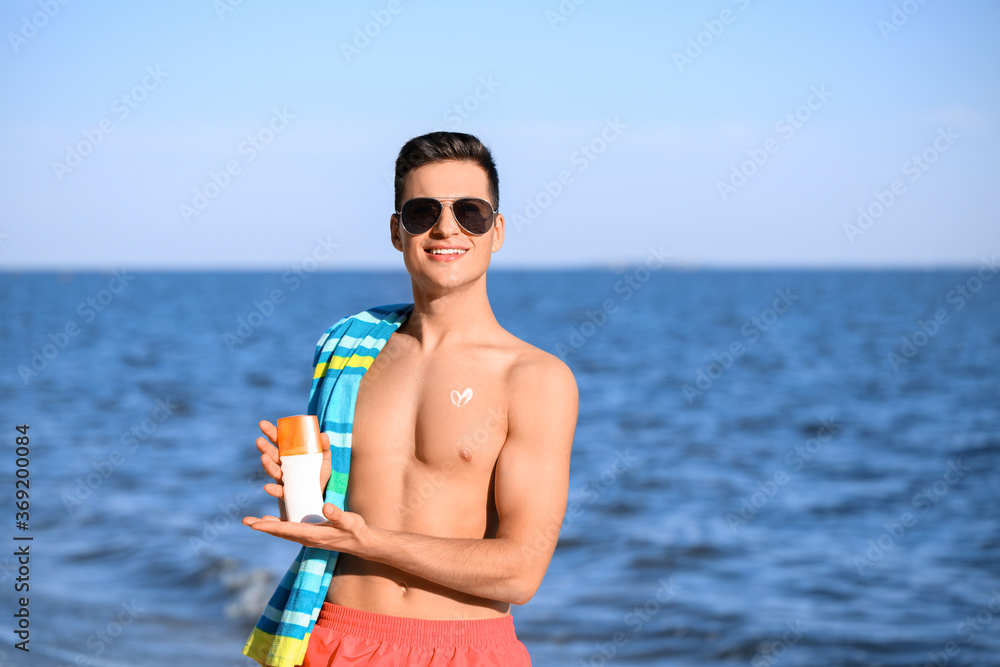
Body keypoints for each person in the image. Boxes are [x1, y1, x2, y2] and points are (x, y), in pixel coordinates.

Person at [242, 131, 579, 666]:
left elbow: (520, 572)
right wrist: (302, 500)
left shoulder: (534, 377)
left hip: (460, 652)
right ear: (398, 233)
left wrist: (367, 542)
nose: (447, 228)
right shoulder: (348, 347)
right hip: (332, 639)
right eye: (423, 212)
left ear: (498, 230)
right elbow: (325, 519)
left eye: (471, 211)